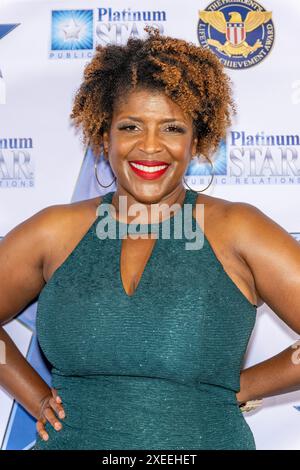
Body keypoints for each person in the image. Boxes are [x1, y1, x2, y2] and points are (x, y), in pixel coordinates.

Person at [0, 26, 299, 450]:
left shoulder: (239, 230)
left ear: (196, 140)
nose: (151, 147)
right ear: (104, 137)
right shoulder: (54, 232)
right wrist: (33, 396)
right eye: (131, 127)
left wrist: (242, 387)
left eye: (173, 128)